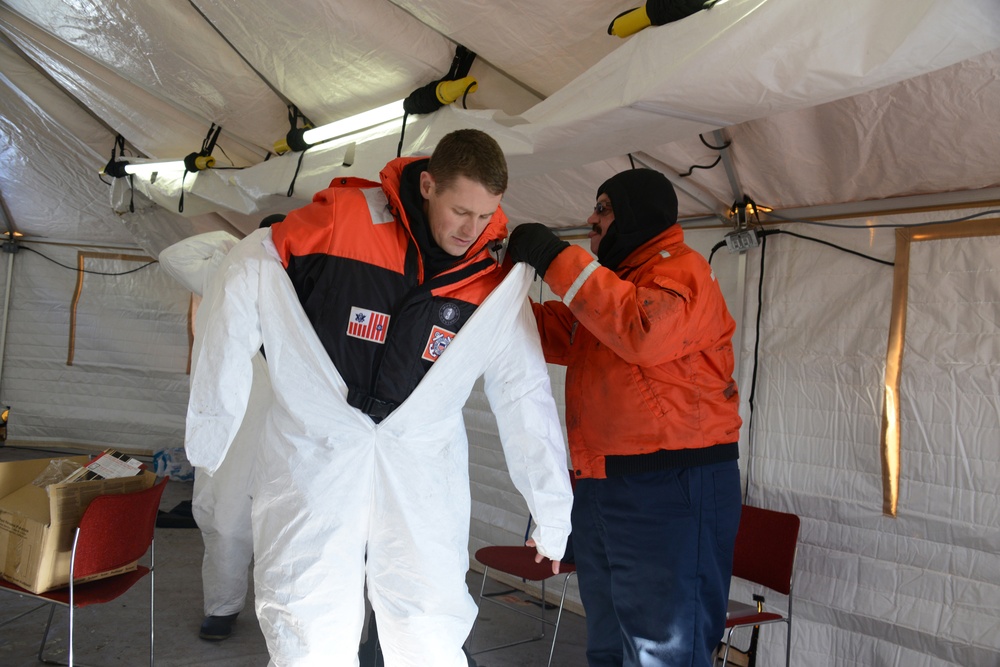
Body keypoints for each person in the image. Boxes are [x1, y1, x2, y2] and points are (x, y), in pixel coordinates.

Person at [184, 129, 573, 666]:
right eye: (461, 211)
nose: (472, 230)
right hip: (320, 443)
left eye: (486, 216)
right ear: (429, 184)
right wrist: (212, 426)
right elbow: (248, 268)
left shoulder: (493, 274)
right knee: (305, 600)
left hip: (419, 457)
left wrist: (551, 509)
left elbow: (524, 391)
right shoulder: (343, 222)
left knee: (427, 606)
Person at [507, 167, 743, 667]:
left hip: (671, 487)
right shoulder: (614, 288)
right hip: (604, 487)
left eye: (604, 208)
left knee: (663, 651)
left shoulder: (683, 272)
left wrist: (554, 257)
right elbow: (556, 332)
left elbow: (644, 331)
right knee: (610, 643)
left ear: (638, 214)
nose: (592, 220)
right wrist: (488, 298)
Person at [159, 225, 277, 641]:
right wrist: (235, 241)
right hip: (233, 427)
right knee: (226, 522)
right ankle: (223, 609)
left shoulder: (309, 286)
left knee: (285, 526)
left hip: (287, 428)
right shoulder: (225, 273)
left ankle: (282, 613)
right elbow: (173, 257)